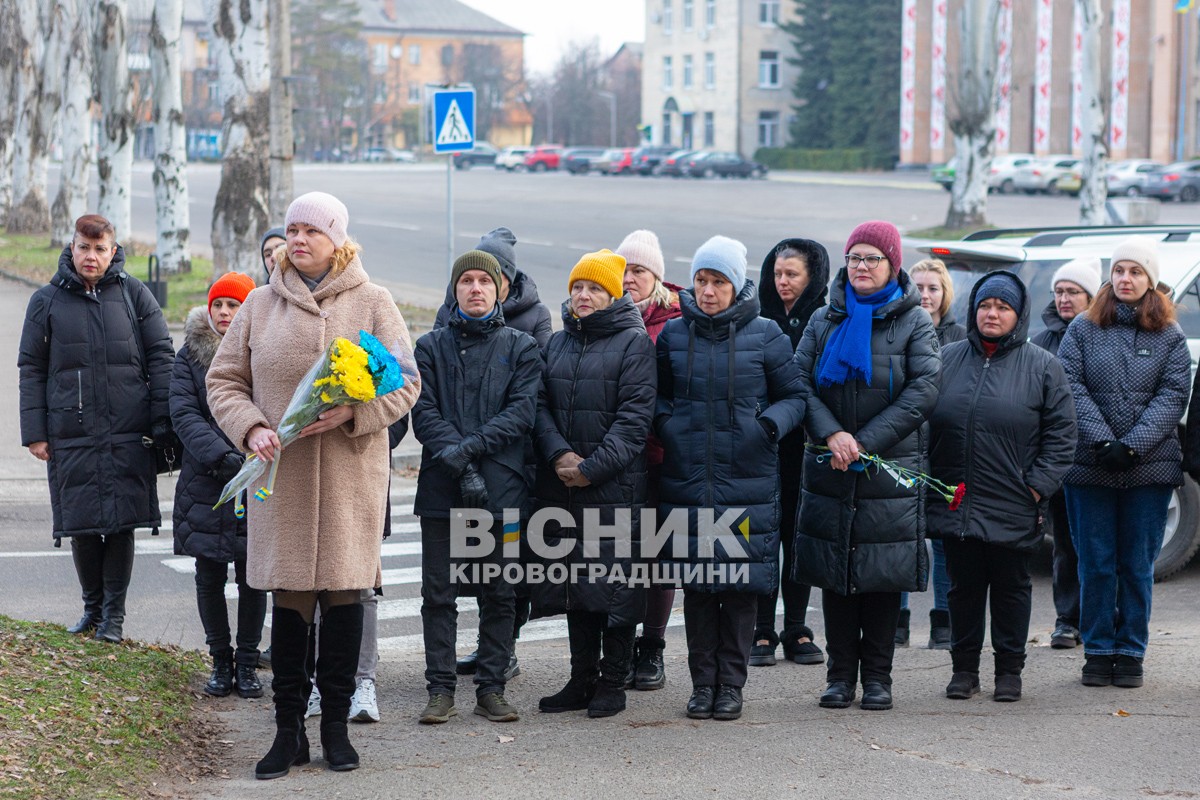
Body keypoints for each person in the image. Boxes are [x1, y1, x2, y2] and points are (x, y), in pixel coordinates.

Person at [208, 192, 420, 779]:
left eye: (312, 230)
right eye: (293, 229)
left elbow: (406, 382)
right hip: (284, 480)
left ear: (337, 240)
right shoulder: (257, 305)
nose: (298, 239)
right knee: (292, 601)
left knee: (347, 598)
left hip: (352, 478)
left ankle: (334, 731)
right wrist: (250, 429)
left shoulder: (374, 302)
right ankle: (286, 733)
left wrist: (355, 414)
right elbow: (223, 381)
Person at [656, 236, 806, 721]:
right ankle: (702, 685)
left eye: (718, 281)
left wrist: (767, 426)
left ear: (736, 285)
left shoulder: (766, 335)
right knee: (699, 588)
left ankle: (731, 686)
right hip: (688, 478)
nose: (707, 290)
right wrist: (670, 426)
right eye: (701, 280)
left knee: (739, 589)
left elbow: (795, 397)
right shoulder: (674, 336)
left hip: (747, 478)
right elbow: (656, 397)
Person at [792, 220, 940, 712]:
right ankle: (839, 678)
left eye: (871, 259)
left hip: (886, 467)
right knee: (836, 574)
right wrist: (832, 434)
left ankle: (878, 679)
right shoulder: (825, 317)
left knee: (880, 576)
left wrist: (863, 442)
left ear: (892, 265)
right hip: (829, 463)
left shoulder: (914, 321)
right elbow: (798, 383)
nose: (860, 267)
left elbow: (924, 390)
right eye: (854, 257)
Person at [18, 214, 174, 644]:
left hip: (128, 429)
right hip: (71, 431)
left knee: (122, 523)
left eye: (99, 248)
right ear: (72, 247)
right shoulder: (46, 301)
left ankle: (114, 617)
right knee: (82, 523)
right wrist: (35, 430)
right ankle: (91, 608)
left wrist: (162, 420)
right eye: (83, 248)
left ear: (113, 250)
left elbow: (162, 355)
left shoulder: (134, 295)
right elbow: (31, 369)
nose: (91, 256)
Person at [927, 272, 1077, 703]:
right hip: (957, 497)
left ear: (1018, 314)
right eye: (985, 306)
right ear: (974, 310)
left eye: (1003, 307)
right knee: (963, 586)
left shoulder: (1043, 366)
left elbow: (1062, 436)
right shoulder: (948, 357)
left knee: (1012, 588)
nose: (992, 314)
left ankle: (1009, 671)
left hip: (1014, 498)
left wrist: (1036, 488)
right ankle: (964, 670)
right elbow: (923, 422)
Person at [412, 249, 542, 725]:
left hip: (501, 491)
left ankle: (491, 688)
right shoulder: (429, 347)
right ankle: (440, 689)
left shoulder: (521, 346)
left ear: (499, 290)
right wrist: (459, 464)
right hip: (442, 491)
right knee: (438, 593)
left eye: (484, 282)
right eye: (465, 281)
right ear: (455, 289)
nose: (475, 289)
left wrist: (469, 456)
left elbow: (521, 414)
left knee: (501, 591)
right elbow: (423, 413)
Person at [1057, 236, 1189, 690]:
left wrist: (1131, 446)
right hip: (1089, 466)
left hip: (1149, 469)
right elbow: (1069, 386)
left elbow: (1173, 395)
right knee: (1095, 562)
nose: (1125, 279)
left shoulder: (1169, 335)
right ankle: (1097, 648)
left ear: (1149, 279)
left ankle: (1130, 649)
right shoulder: (1082, 330)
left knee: (1136, 564)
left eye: (1134, 271)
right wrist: (1102, 442)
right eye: (1118, 271)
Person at [532, 249, 656, 719]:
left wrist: (591, 468)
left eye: (594, 289)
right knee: (575, 586)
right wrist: (559, 454)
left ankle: (613, 682)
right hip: (562, 484)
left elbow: (634, 420)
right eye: (578, 288)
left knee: (616, 589)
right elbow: (539, 406)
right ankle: (580, 678)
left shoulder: (634, 344)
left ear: (613, 294)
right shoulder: (558, 343)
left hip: (614, 487)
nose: (583, 296)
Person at [442, 227, 551, 681]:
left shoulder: (533, 318)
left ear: (506, 280)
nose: (482, 286)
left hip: (511, 460)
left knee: (509, 569)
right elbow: (440, 387)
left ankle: (504, 649)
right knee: (473, 564)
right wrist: (461, 453)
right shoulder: (451, 313)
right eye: (470, 278)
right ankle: (491, 648)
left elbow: (532, 392)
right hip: (459, 460)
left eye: (494, 277)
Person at [171, 271, 266, 699]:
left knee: (254, 576)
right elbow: (184, 414)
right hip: (205, 483)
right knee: (208, 575)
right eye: (219, 305)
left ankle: (247, 662)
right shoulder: (188, 356)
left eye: (234, 305)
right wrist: (221, 455)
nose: (226, 313)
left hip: (256, 479)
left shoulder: (262, 352)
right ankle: (220, 662)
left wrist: (248, 454)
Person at [750, 238, 830, 668]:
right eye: (777, 274)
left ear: (812, 276)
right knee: (764, 537)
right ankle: (762, 627)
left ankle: (796, 626)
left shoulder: (825, 319)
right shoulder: (757, 318)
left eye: (792, 274)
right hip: (762, 444)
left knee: (797, 538)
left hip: (808, 446)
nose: (782, 282)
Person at [616, 229, 682, 690]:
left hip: (662, 456)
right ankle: (616, 648)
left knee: (660, 557)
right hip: (618, 458)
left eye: (638, 270)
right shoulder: (604, 311)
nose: (628, 278)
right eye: (622, 270)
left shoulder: (677, 320)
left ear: (655, 275)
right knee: (618, 556)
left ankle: (652, 648)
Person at [1030, 256, 1102, 650]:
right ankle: (1066, 620)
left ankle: (1097, 620)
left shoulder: (1102, 336)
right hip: (1054, 461)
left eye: (1073, 291)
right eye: (1058, 291)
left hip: (1093, 458)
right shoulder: (1041, 342)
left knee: (1094, 546)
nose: (1064, 298)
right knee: (1063, 547)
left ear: (1091, 296)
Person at [896, 257, 965, 649]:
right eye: (918, 287)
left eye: (933, 288)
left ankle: (944, 621)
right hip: (905, 443)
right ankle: (898, 619)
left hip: (946, 447)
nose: (925, 295)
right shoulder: (900, 327)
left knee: (943, 537)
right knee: (903, 533)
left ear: (945, 294)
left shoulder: (959, 336)